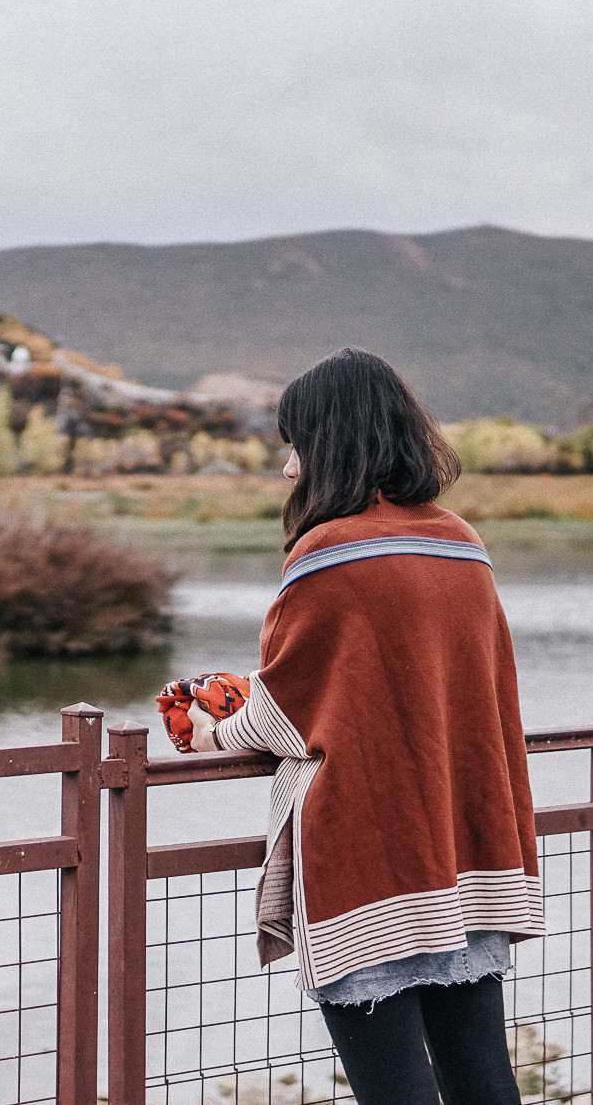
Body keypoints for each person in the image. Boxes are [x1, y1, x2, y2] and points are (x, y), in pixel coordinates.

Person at [176, 347, 541, 1105]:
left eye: (297, 444)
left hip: (368, 863)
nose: (288, 467)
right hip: (462, 847)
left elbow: (287, 712)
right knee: (482, 1080)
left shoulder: (328, 553)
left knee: (392, 1090)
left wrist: (209, 732)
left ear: (332, 444)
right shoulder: (461, 541)